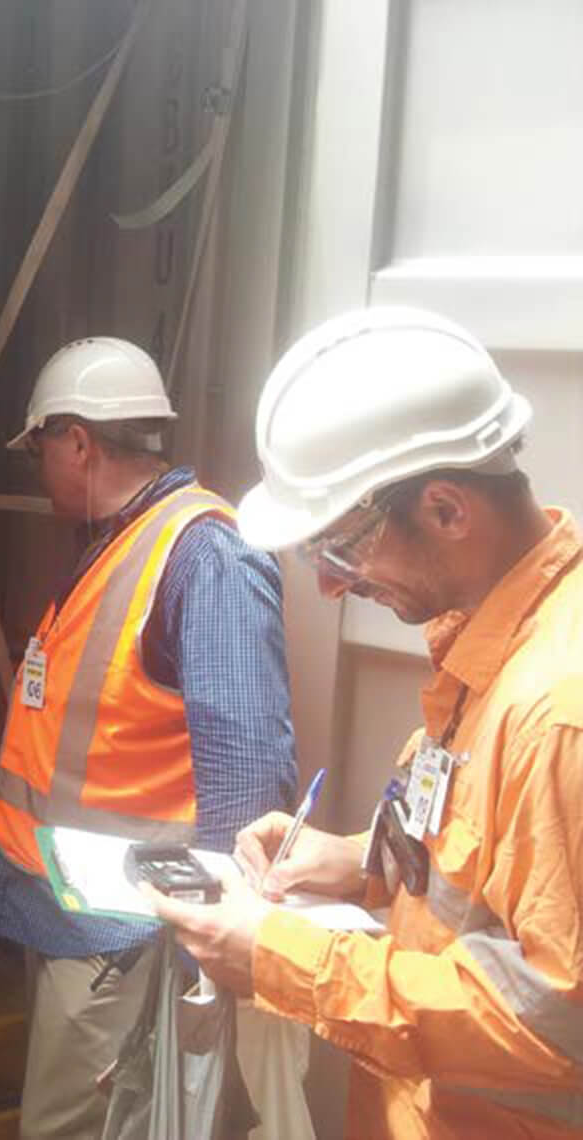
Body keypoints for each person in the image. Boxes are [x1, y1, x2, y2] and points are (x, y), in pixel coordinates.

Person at [147, 307, 583, 1139]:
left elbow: (552, 1022)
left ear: (448, 510)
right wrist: (353, 864)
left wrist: (279, 959)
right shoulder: (485, 648)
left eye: (341, 548)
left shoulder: (558, 710)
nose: (332, 587)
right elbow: (488, 879)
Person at [0, 336, 299, 1137]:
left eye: (41, 448)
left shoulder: (206, 557)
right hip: (75, 923)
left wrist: (212, 963)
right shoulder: (122, 540)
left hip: (125, 944)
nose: (39, 467)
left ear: (79, 441)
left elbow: (251, 785)